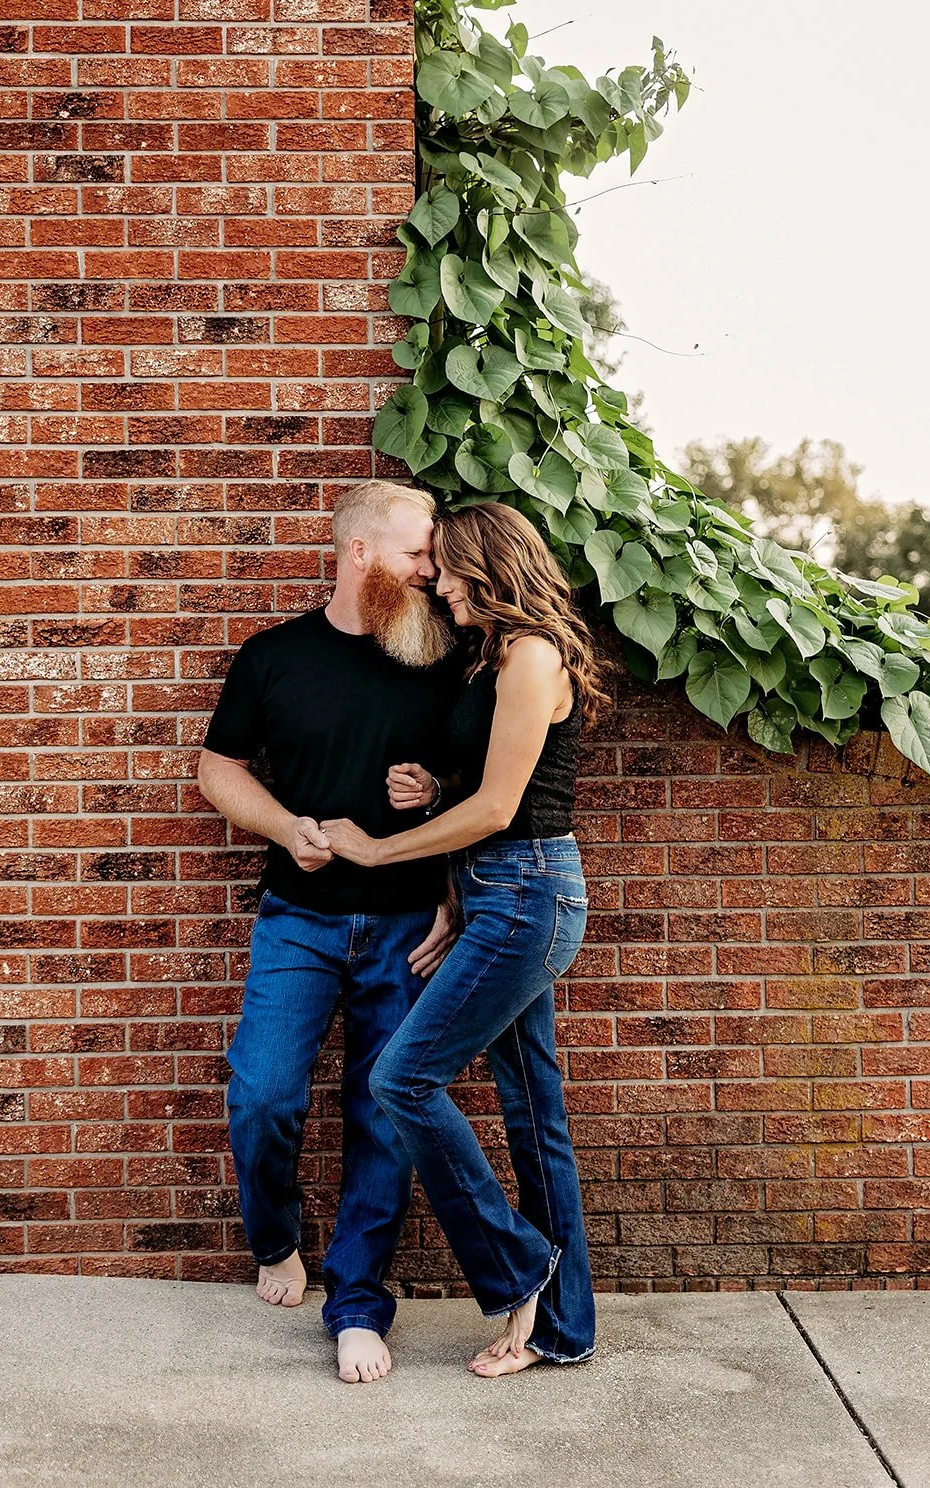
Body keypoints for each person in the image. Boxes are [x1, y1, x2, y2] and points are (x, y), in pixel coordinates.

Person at [319, 501, 605, 1378]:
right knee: (532, 1112)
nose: (435, 583)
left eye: (446, 568)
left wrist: (376, 848)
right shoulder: (491, 657)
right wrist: (452, 892)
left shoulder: (531, 654)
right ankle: (564, 1329)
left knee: (402, 1078)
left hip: (529, 896)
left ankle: (518, 1270)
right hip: (493, 895)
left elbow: (498, 809)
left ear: (485, 566)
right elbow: (471, 796)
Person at [196, 480, 462, 1385]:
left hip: (408, 929)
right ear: (359, 555)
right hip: (298, 921)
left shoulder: (446, 655)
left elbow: (491, 785)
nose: (431, 571)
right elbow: (216, 768)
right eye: (416, 554)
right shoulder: (274, 657)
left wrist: (434, 795)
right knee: (264, 1095)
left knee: (384, 1115)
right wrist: (284, 828)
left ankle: (357, 1304)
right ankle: (275, 1242)